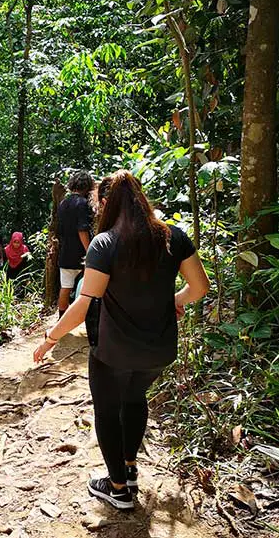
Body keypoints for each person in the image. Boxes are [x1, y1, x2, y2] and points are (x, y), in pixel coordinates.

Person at [34, 170, 209, 511]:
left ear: (104, 203)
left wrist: (50, 338)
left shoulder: (105, 244)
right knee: (134, 397)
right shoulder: (174, 237)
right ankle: (128, 470)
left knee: (107, 409)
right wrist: (173, 300)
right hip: (159, 350)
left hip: (113, 351)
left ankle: (117, 490)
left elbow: (83, 303)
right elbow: (200, 288)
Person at [57, 170, 94, 318]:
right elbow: (82, 230)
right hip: (80, 255)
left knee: (65, 287)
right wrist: (90, 252)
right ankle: (83, 318)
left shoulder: (63, 203)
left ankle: (62, 320)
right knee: (87, 288)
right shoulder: (82, 203)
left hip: (65, 252)